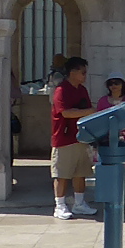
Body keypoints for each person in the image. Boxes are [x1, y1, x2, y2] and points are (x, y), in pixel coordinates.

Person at [48, 58, 99, 219]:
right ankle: (60, 205)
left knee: (80, 172)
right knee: (62, 173)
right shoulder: (61, 90)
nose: (85, 76)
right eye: (82, 72)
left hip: (81, 138)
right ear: (73, 72)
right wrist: (89, 111)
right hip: (64, 139)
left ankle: (79, 203)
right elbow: (66, 112)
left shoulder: (82, 90)